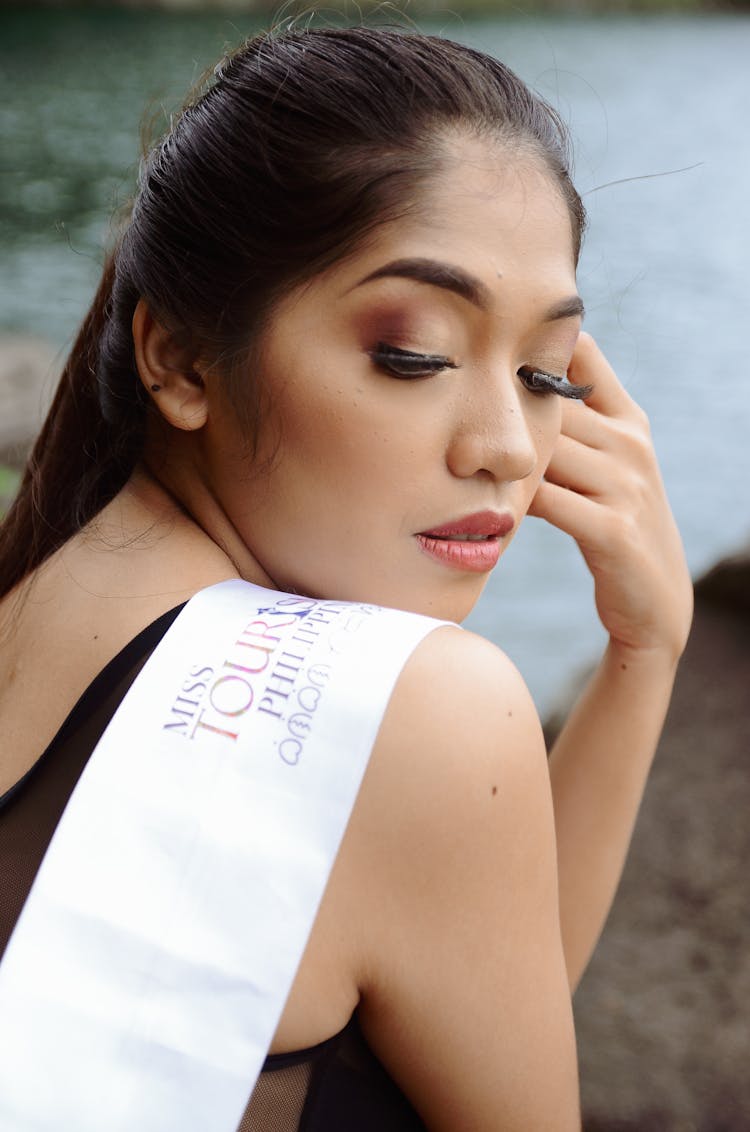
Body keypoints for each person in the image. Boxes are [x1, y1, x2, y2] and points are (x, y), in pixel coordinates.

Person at [0, 24, 692, 1132]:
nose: (510, 445)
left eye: (547, 371)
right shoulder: (421, 709)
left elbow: (471, 990)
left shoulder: (37, 604)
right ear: (177, 356)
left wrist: (640, 654)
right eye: (413, 353)